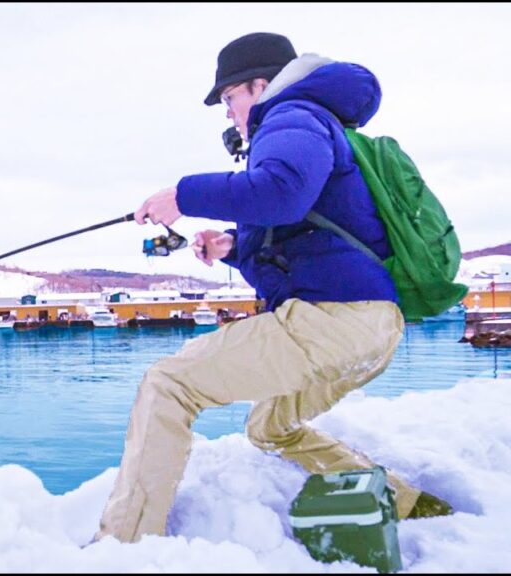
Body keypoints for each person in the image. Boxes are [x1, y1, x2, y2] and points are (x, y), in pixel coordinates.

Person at [94, 32, 453, 544]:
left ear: (260, 85)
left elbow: (281, 193)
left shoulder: (290, 115)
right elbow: (300, 233)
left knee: (169, 384)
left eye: (229, 98)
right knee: (271, 428)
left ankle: (123, 544)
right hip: (370, 326)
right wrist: (232, 247)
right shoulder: (314, 123)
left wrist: (182, 194)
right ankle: (409, 502)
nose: (227, 113)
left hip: (333, 320)